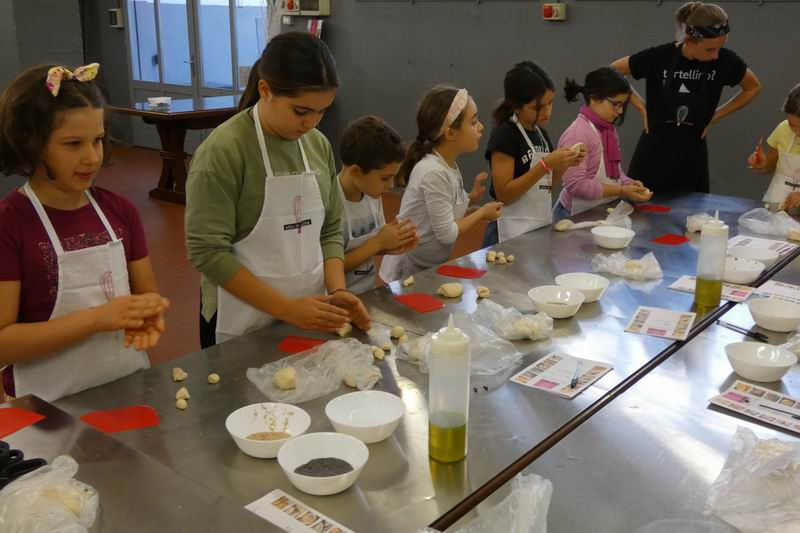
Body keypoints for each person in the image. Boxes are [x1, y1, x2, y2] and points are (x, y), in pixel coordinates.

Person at [185, 32, 370, 347]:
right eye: (301, 111)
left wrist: (337, 292)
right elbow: (208, 251)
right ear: (265, 90)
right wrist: (286, 309)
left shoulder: (317, 145)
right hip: (240, 318)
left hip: (309, 308)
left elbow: (328, 231)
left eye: (322, 111)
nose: (311, 123)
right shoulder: (225, 150)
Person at [0, 63, 169, 401]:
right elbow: (4, 344)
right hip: (44, 408)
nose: (91, 157)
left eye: (98, 141)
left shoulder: (120, 212)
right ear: (31, 145)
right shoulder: (10, 224)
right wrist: (97, 319)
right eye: (73, 144)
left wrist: (148, 315)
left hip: (124, 387)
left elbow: (146, 296)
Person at [611, 1, 761, 192]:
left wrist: (715, 116)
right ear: (689, 39)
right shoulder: (660, 56)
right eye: (709, 49)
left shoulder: (725, 61)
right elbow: (613, 71)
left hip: (693, 152)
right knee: (640, 209)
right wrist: (641, 106)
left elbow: (753, 87)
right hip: (653, 150)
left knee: (693, 214)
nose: (716, 55)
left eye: (719, 48)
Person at [379, 86, 503, 282]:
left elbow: (445, 208)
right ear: (450, 134)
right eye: (473, 122)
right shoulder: (433, 171)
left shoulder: (447, 163)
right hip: (406, 270)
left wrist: (469, 199)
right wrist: (482, 213)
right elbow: (446, 233)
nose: (481, 127)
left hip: (427, 266)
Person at [483, 61, 584, 245]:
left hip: (535, 230)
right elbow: (504, 193)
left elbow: (547, 188)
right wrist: (545, 165)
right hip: (506, 232)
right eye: (538, 108)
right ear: (516, 106)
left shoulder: (541, 135)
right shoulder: (506, 134)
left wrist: (563, 164)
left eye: (550, 103)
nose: (547, 112)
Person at [555, 67, 653, 220]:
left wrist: (629, 183)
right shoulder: (578, 134)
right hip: (572, 216)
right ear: (594, 99)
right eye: (616, 104)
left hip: (598, 210)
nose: (620, 111)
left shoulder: (608, 131)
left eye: (623, 105)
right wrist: (621, 190)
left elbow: (614, 174)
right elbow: (576, 185)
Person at [337, 116, 419, 294]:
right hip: (336, 300)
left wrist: (391, 245)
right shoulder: (329, 203)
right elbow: (327, 267)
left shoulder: (372, 194)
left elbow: (370, 248)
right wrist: (377, 243)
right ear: (356, 172)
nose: (390, 186)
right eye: (385, 178)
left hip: (366, 292)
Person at [748, 84, 800, 211]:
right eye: (792, 125)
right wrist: (763, 164)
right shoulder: (782, 129)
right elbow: (769, 166)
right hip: (776, 207)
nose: (798, 133)